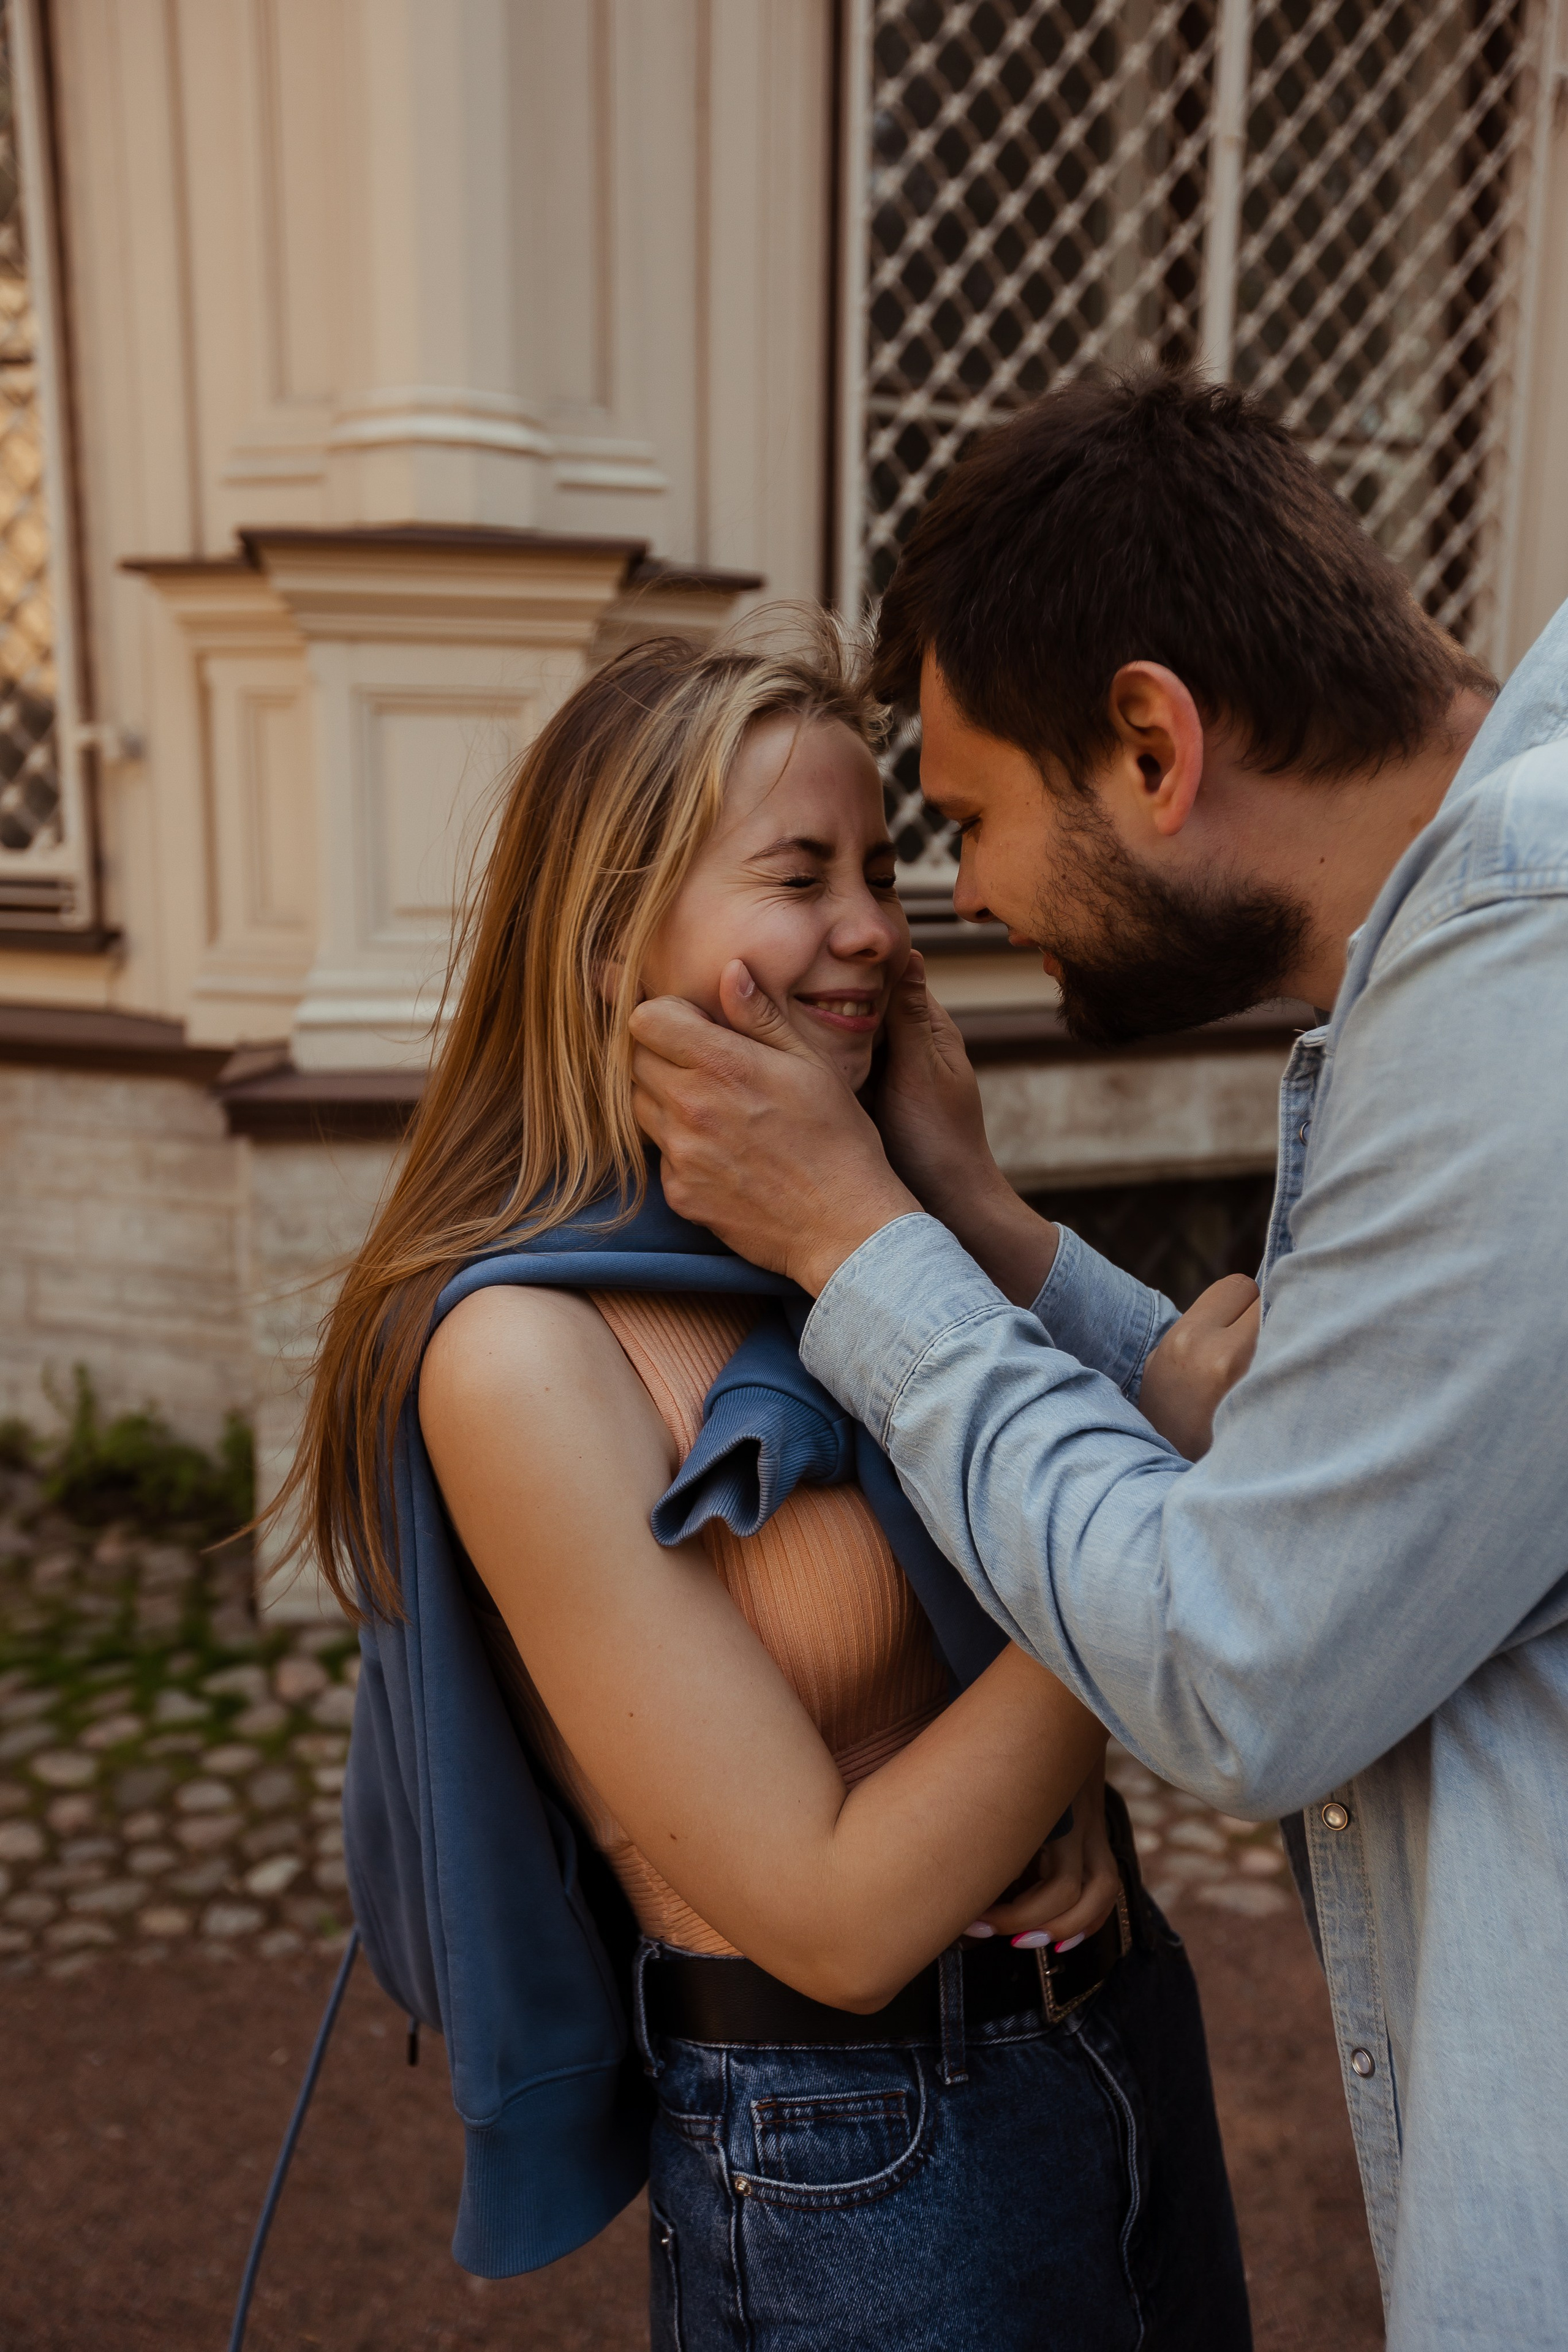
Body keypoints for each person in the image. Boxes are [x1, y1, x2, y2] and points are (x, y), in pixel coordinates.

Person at [627, 370, 1568, 2352]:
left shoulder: (1525, 984)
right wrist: (982, 1231)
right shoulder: (1484, 945)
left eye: (965, 821)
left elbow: (1242, 1652)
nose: (951, 904)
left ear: (1153, 744)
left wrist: (855, 1246)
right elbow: (1367, 1467)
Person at [285, 628, 1252, 2350]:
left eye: (881, 870)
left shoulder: (850, 1248)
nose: (876, 926)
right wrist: (1155, 1507)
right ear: (609, 941)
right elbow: (838, 1914)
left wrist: (953, 1190)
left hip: (1113, 2045)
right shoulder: (525, 1357)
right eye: (801, 878)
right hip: (861, 2165)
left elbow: (964, 1660)